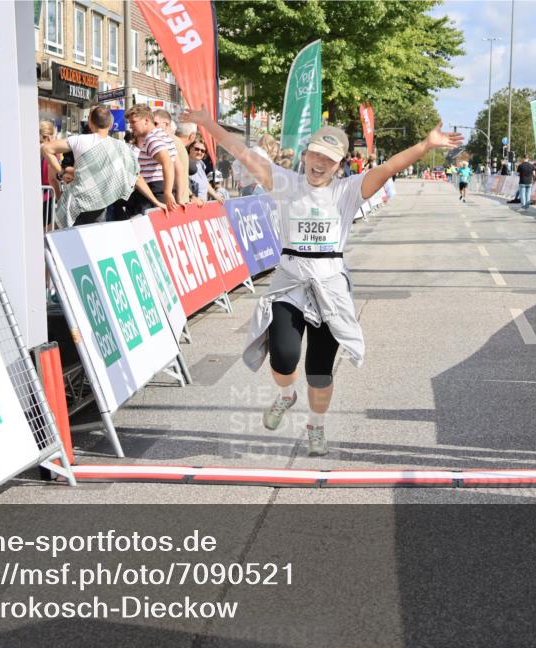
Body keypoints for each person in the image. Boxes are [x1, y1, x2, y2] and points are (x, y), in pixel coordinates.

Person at [182, 106, 461, 454]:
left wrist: (424, 146)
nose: (319, 163)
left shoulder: (348, 190)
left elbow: (390, 168)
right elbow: (243, 153)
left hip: (329, 287)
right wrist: (209, 125)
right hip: (290, 282)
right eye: (315, 154)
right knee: (283, 356)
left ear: (340, 164)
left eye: (329, 159)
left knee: (319, 370)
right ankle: (286, 395)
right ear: (305, 154)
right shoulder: (286, 183)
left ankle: (316, 425)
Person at [43, 104, 145, 225]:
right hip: (106, 203)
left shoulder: (78, 140)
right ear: (111, 125)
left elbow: (46, 149)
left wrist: (62, 172)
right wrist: (157, 201)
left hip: (79, 202)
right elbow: (136, 177)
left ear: (90, 123)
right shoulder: (121, 147)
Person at [153, 109, 191, 205]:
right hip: (177, 198)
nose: (153, 126)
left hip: (171, 199)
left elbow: (178, 169)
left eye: (155, 123)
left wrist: (176, 197)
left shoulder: (167, 140)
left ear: (166, 124)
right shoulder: (170, 140)